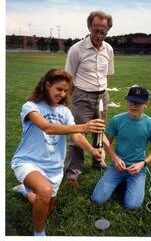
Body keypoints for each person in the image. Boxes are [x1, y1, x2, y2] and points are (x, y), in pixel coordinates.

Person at [11, 68, 105, 236]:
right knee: (45, 192)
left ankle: (25, 192)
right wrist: (84, 126)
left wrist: (92, 149)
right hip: (28, 161)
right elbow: (48, 128)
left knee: (47, 206)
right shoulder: (31, 107)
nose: (62, 94)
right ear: (47, 85)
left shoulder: (65, 111)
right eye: (59, 89)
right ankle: (39, 234)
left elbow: (76, 136)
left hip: (54, 168)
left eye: (66, 91)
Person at [65, 10, 114, 187]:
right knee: (78, 133)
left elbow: (106, 75)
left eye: (103, 31)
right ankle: (73, 173)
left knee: (99, 131)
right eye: (96, 30)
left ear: (108, 31)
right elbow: (68, 77)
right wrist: (68, 101)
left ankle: (97, 161)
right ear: (88, 27)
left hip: (102, 95)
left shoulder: (109, 49)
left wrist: (103, 93)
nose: (99, 35)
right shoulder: (76, 49)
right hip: (81, 96)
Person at [91, 86, 151, 209]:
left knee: (132, 206)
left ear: (145, 104)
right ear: (127, 101)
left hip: (137, 169)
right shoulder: (117, 120)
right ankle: (120, 181)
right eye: (131, 101)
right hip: (117, 166)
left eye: (138, 103)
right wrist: (115, 158)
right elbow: (107, 142)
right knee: (97, 199)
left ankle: (129, 182)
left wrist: (142, 164)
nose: (133, 105)